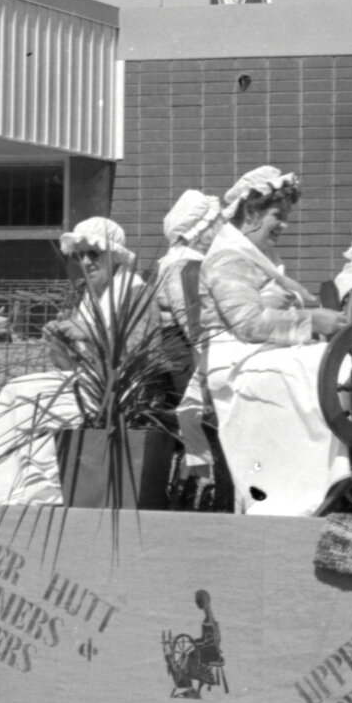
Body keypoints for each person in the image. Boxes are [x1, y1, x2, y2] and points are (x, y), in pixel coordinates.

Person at [0, 217, 156, 506]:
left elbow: (139, 353)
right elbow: (67, 365)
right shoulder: (91, 300)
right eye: (80, 256)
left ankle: (43, 491)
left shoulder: (136, 293)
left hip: (120, 395)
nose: (86, 262)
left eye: (94, 254)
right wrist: (58, 341)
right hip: (87, 386)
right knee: (12, 390)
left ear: (114, 255)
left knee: (37, 399)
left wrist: (88, 335)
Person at [200, 166, 351, 516]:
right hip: (236, 361)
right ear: (251, 213)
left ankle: (330, 474)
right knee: (319, 366)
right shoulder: (227, 258)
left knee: (331, 361)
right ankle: (299, 494)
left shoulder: (255, 256)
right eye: (276, 216)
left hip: (257, 355)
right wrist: (311, 320)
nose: (283, 225)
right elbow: (248, 324)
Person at [154, 190, 222, 499]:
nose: (220, 228)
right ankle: (202, 490)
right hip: (185, 355)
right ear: (201, 229)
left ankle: (196, 487)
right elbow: (194, 325)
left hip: (180, 351)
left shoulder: (178, 263)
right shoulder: (185, 266)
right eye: (216, 222)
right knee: (200, 420)